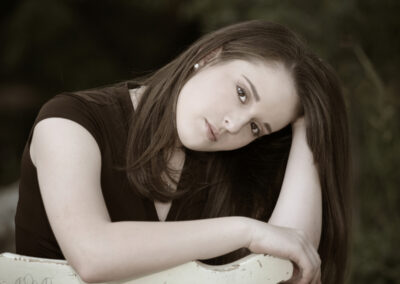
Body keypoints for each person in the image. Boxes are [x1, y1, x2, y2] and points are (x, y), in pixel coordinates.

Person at [15, 20, 351, 284]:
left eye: (256, 127)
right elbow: (92, 254)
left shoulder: (231, 168)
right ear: (209, 56)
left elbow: (290, 264)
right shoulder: (69, 122)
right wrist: (247, 230)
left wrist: (309, 125)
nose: (234, 125)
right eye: (242, 93)